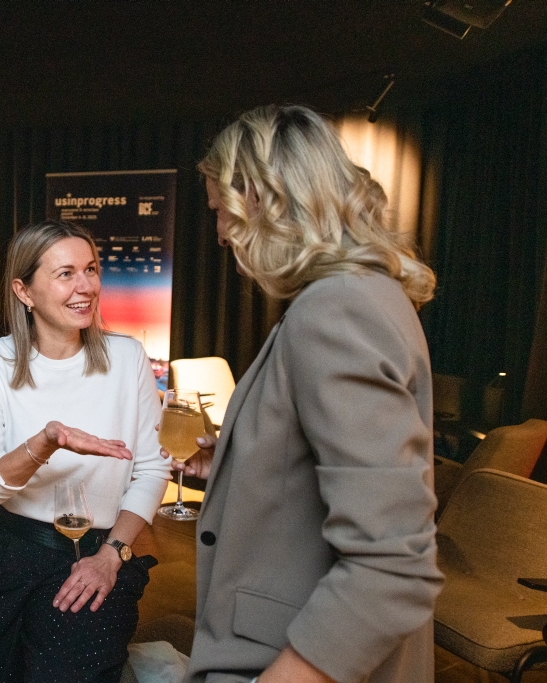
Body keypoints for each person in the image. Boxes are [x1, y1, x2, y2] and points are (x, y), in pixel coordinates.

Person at [173, 104, 443, 683]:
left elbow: (393, 564)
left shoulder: (336, 309)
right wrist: (244, 462)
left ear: (259, 199)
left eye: (219, 212)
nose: (219, 234)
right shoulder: (367, 294)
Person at [0, 219, 172, 683]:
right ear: (24, 291)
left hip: (97, 553)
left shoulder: (127, 357)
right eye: (66, 274)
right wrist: (44, 442)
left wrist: (112, 555)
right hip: (4, 555)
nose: (86, 286)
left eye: (91, 270)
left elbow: (152, 469)